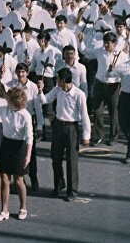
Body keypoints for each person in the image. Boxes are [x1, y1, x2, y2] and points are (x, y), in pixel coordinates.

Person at [42, 67, 90, 201]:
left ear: (63, 80)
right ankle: (59, 184)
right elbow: (45, 100)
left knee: (71, 161)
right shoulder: (57, 90)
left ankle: (72, 191)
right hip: (58, 125)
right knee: (55, 158)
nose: (56, 81)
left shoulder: (79, 94)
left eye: (58, 79)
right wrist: (40, 91)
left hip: (71, 128)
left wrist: (87, 135)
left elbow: (84, 115)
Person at [0, 86, 33, 222]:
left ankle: (23, 208)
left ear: (15, 101)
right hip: (6, 145)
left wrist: (28, 156)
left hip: (19, 148)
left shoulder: (25, 116)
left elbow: (29, 138)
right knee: (4, 180)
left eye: (9, 99)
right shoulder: (5, 109)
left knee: (18, 180)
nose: (6, 100)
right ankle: (4, 211)